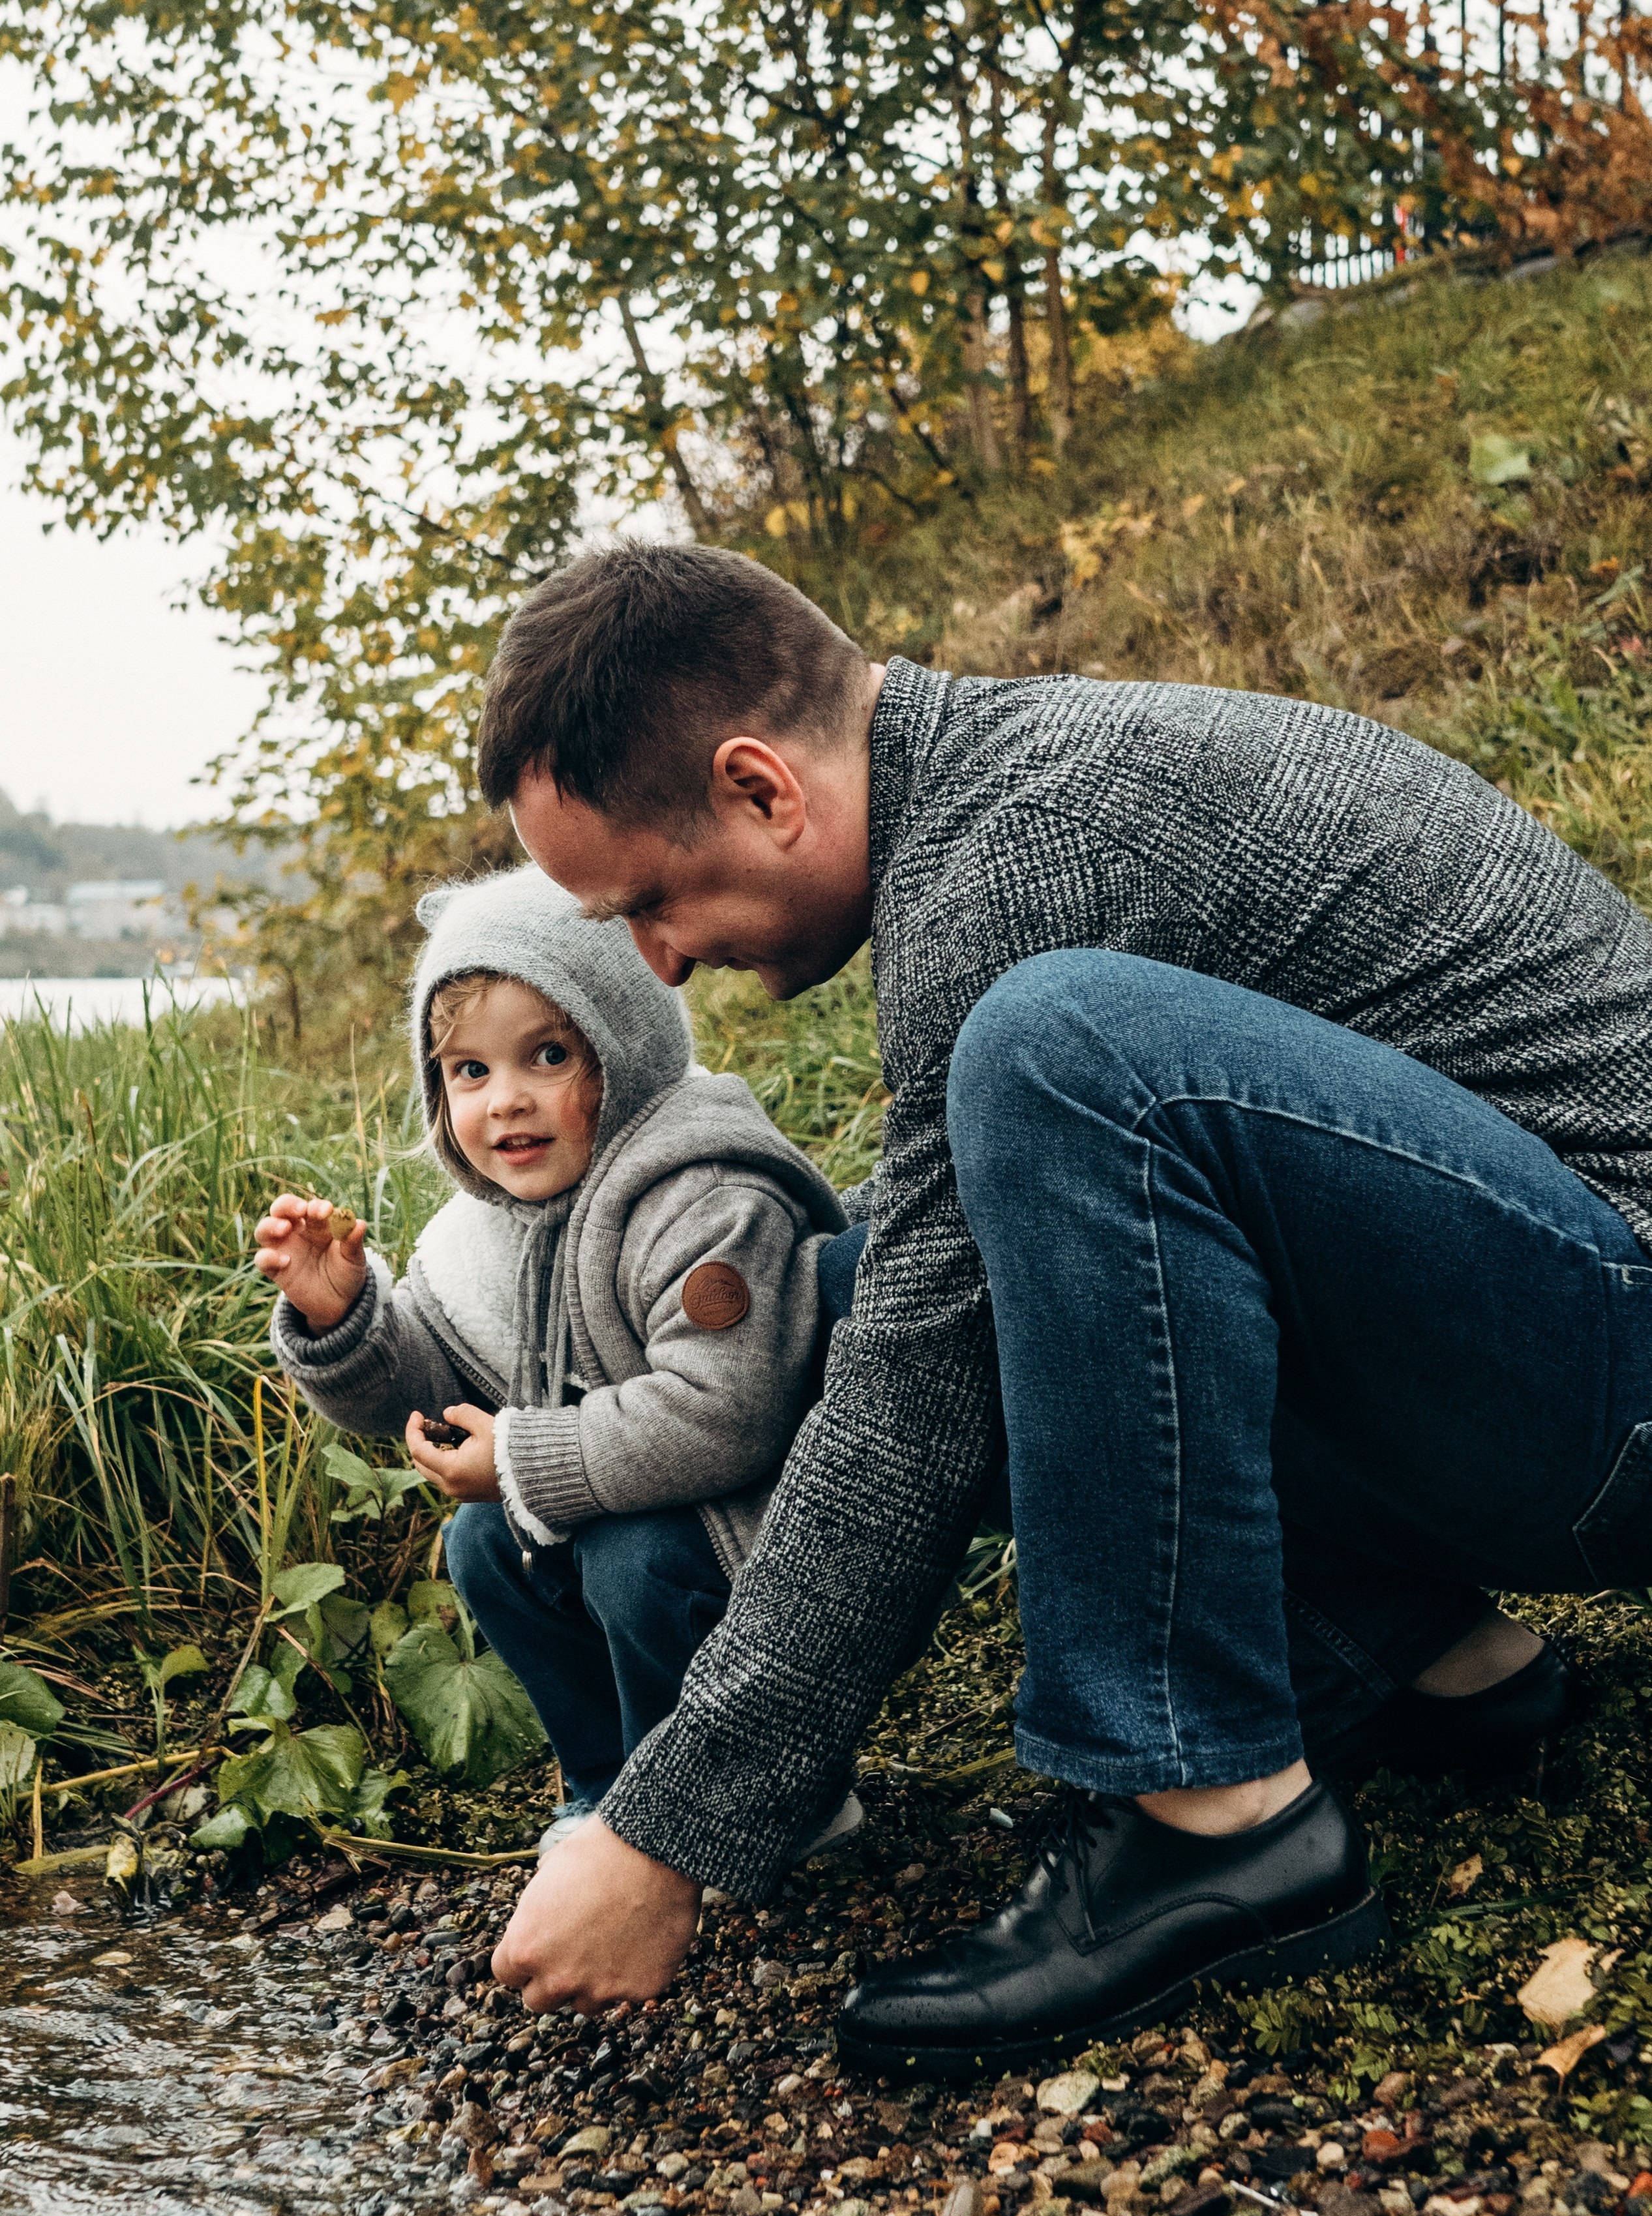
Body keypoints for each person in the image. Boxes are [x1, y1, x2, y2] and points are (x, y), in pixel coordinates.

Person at [481, 543, 1652, 2081]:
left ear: (764, 788)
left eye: (646, 901)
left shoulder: (1020, 860)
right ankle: (1427, 1660)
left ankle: (1215, 1819)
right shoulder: (1012, 783)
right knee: (835, 1292)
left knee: (1053, 1057)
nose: (657, 962)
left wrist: (666, 1831)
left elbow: (921, 1393)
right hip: (1540, 1351)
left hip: (1613, 1375)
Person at [253, 863, 854, 1857]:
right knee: (484, 1542)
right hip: (636, 1508)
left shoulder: (700, 1194)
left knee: (630, 1559)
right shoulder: (484, 1231)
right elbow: (432, 1389)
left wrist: (525, 1459)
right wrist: (345, 1316)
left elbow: (728, 1409)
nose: (506, 1104)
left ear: (623, 1045)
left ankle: (764, 1794)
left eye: (546, 1055)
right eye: (470, 1072)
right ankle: (611, 1792)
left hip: (775, 1541)